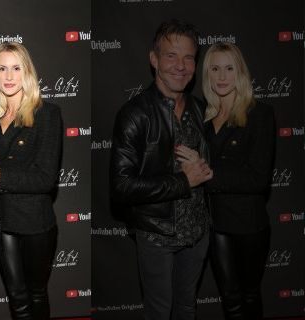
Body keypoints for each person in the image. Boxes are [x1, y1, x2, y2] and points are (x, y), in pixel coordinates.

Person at [109, 19, 213, 320]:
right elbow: (121, 187)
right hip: (157, 235)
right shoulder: (134, 114)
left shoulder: (199, 108)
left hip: (197, 232)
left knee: (186, 307)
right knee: (158, 311)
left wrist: (203, 169)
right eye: (171, 55)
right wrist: (183, 181)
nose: (181, 65)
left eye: (189, 57)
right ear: (154, 59)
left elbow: (207, 169)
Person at [0, 42, 62, 320]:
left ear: (27, 72)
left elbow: (45, 179)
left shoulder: (47, 114)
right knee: (17, 299)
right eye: (1, 69)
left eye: (16, 68)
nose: (8, 76)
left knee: (36, 294)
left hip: (35, 223)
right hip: (2, 222)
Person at [196, 42, 274, 319]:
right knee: (230, 300)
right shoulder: (203, 118)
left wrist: (207, 173)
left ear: (240, 72)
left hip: (248, 225)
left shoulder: (259, 115)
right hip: (216, 226)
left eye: (229, 68)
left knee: (249, 296)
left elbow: (258, 178)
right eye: (215, 69)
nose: (222, 76)